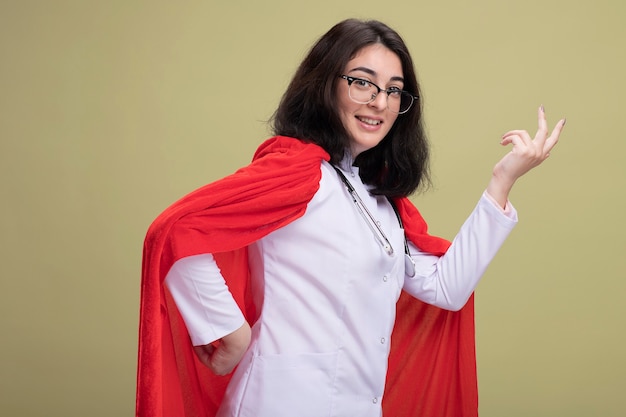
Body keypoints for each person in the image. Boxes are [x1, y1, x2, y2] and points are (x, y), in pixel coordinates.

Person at [135, 18, 565, 417]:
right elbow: (174, 231)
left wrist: (502, 181)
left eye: (394, 90)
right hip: (279, 402)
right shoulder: (296, 174)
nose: (379, 102)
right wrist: (229, 331)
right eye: (362, 83)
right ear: (325, 84)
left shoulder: (380, 199)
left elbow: (446, 288)